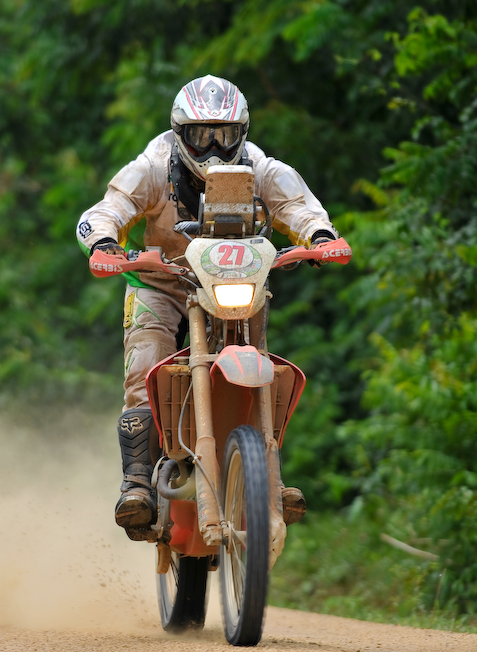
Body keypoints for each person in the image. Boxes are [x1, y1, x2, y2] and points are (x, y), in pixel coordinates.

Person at [77, 74, 339, 540]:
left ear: (243, 133)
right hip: (163, 281)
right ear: (180, 134)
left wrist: (320, 237)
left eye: (225, 135)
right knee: (144, 366)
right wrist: (103, 244)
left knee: (266, 363)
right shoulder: (153, 167)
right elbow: (105, 211)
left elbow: (302, 207)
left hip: (237, 283)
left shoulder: (262, 168)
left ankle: (270, 480)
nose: (214, 149)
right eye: (202, 136)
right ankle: (137, 483)